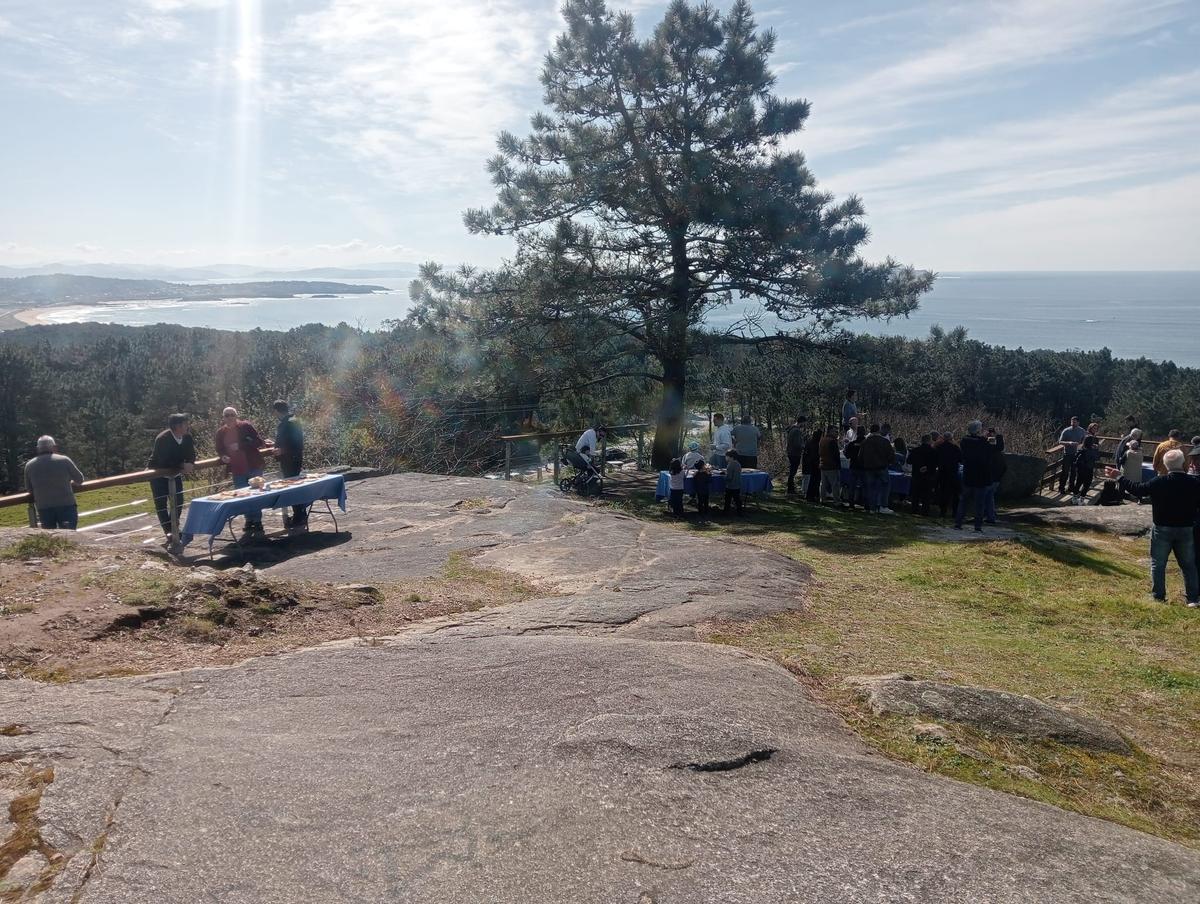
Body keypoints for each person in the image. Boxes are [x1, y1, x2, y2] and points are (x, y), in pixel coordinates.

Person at [1110, 449, 1199, 607]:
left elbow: (1138, 489)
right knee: (1188, 565)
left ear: (1165, 464)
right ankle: (1192, 598)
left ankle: (1158, 596)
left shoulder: (1159, 481)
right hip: (1185, 528)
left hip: (1162, 528)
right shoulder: (1194, 483)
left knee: (1158, 564)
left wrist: (1119, 477)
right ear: (1183, 463)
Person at [216, 406, 268, 535]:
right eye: (227, 415)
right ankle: (249, 520)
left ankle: (257, 521)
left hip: (253, 466)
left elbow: (258, 442)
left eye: (232, 415)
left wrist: (240, 445)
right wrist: (223, 456)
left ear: (236, 416)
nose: (230, 417)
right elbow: (219, 449)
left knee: (256, 495)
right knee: (243, 496)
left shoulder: (246, 426)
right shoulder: (220, 432)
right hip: (237, 469)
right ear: (223, 418)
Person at [148, 413, 196, 547]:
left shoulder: (187, 437)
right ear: (177, 426)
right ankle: (170, 533)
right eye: (185, 424)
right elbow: (164, 460)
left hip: (175, 474)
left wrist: (190, 463)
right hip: (158, 475)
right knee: (161, 505)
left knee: (178, 502)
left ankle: (173, 529)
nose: (188, 426)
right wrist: (182, 465)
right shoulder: (163, 439)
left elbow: (191, 454)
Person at [23, 436, 84, 530]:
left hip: (44, 508)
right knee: (69, 535)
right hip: (66, 505)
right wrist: (69, 483)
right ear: (54, 447)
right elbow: (79, 479)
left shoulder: (29, 465)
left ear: (38, 449)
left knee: (50, 536)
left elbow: (29, 489)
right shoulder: (64, 460)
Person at [272, 400, 308, 530]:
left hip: (291, 461)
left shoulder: (290, 422)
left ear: (276, 411)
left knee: (293, 488)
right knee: (294, 487)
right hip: (292, 459)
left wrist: (282, 451)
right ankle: (300, 515)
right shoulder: (292, 420)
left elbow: (297, 444)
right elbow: (287, 441)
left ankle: (299, 517)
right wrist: (274, 444)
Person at [956, 421, 991, 532]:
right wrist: (990, 436)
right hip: (980, 477)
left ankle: (958, 523)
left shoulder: (964, 441)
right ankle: (977, 526)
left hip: (968, 475)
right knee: (979, 504)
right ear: (978, 430)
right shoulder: (983, 442)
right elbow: (995, 447)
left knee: (963, 501)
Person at [860, 424, 895, 514]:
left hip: (869, 468)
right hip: (882, 467)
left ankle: (872, 508)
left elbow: (860, 456)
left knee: (871, 488)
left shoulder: (865, 442)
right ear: (879, 430)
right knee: (885, 486)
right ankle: (883, 506)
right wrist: (889, 462)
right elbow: (891, 455)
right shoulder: (884, 441)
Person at [908, 434, 937, 516]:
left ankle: (914, 509)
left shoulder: (916, 450)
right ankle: (925, 511)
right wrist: (927, 467)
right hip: (929, 476)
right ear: (930, 441)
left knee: (915, 494)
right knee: (926, 495)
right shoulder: (933, 451)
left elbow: (909, 461)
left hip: (916, 474)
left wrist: (918, 464)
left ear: (922, 441)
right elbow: (936, 463)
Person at [1057, 416, 1086, 494]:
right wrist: (1069, 443)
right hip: (1067, 454)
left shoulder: (1082, 431)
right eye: (1072, 421)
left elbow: (1084, 441)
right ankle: (1061, 488)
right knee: (1065, 472)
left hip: (1077, 454)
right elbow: (1060, 441)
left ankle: (1071, 487)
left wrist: (1081, 445)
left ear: (1078, 423)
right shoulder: (1066, 430)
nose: (1073, 423)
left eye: (1074, 422)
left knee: (1074, 472)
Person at [936, 431, 962, 518]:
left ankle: (942, 511)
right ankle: (954, 512)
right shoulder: (955, 448)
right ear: (951, 438)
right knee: (955, 493)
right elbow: (961, 459)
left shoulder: (939, 447)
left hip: (942, 473)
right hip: (953, 473)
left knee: (943, 492)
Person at [985, 428, 1006, 524]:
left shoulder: (989, 454)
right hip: (997, 479)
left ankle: (985, 516)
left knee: (984, 497)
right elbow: (1004, 467)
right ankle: (991, 516)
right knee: (990, 497)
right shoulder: (999, 454)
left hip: (989, 479)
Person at [1071, 435, 1101, 499]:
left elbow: (1075, 457)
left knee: (1078, 483)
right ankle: (1081, 498)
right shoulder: (1092, 450)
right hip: (1089, 469)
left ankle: (1074, 498)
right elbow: (1097, 458)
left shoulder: (1080, 448)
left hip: (1080, 469)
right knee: (1087, 484)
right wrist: (1096, 449)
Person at [819, 426, 842, 506]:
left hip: (823, 464)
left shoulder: (822, 440)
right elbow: (836, 455)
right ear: (830, 431)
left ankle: (822, 499)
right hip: (832, 466)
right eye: (835, 432)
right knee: (835, 484)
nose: (837, 433)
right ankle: (837, 501)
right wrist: (838, 466)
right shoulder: (832, 441)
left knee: (823, 484)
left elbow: (820, 452)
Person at [845, 426, 866, 510]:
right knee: (865, 486)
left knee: (852, 486)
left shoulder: (852, 443)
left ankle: (851, 504)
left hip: (853, 466)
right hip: (864, 467)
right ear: (864, 433)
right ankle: (865, 503)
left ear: (857, 433)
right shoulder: (867, 444)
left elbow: (847, 454)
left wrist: (853, 455)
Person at [785, 415, 807, 494]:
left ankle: (790, 488)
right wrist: (804, 447)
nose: (804, 425)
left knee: (792, 470)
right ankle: (790, 489)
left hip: (790, 452)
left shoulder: (792, 429)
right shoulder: (797, 430)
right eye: (804, 423)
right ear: (802, 422)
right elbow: (797, 444)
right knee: (793, 471)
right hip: (795, 453)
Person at [803, 427, 823, 503]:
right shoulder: (816, 444)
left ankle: (813, 495)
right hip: (815, 464)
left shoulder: (809, 442)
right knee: (815, 481)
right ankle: (812, 496)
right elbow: (815, 455)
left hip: (810, 464)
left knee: (813, 481)